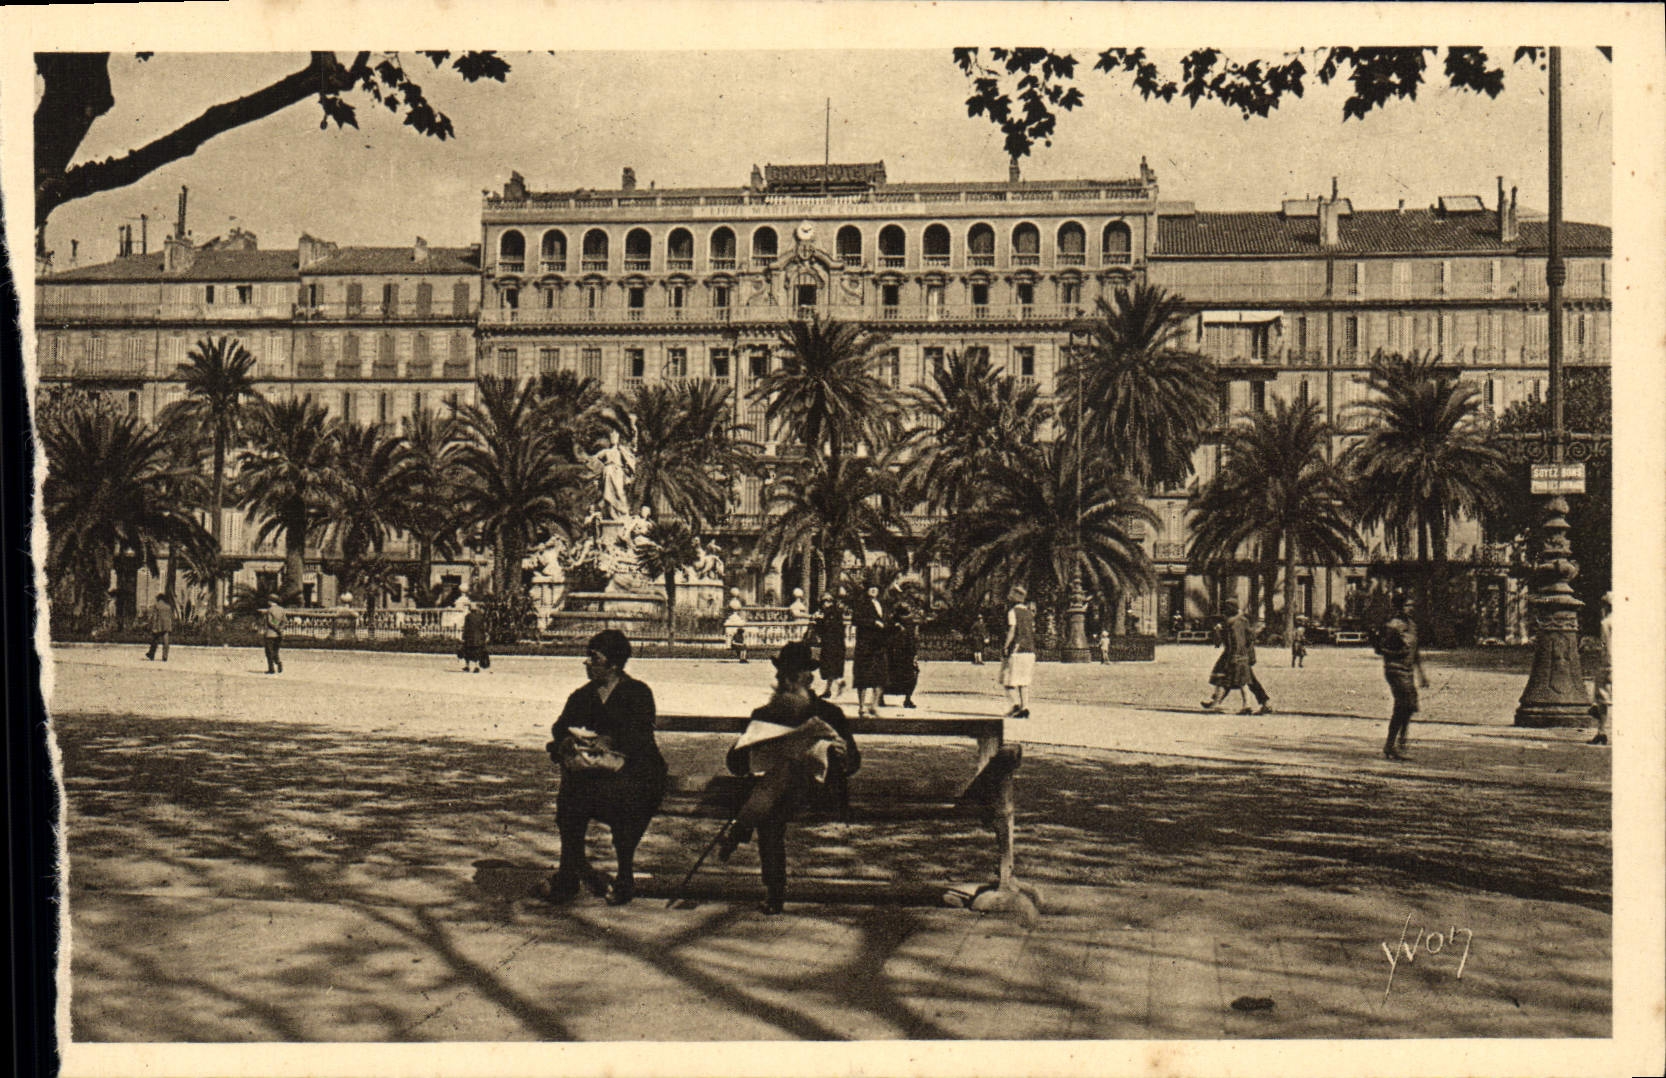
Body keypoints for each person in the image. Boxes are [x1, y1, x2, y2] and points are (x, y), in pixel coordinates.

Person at [720, 641, 860, 914]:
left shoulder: (829, 714)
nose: (784, 683)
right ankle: (774, 887)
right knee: (777, 790)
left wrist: (843, 755)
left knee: (780, 784)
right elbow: (735, 764)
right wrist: (750, 748)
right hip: (778, 796)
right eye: (781, 677)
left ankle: (742, 829)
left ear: (808, 679)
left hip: (816, 791)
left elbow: (853, 763)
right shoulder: (764, 715)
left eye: (791, 677)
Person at [539, 630, 666, 906]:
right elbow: (560, 727)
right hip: (597, 773)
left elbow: (640, 737)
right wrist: (566, 743)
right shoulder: (583, 695)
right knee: (571, 799)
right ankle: (568, 874)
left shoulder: (637, 692)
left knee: (620, 797)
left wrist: (607, 741)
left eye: (594, 658)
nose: (587, 662)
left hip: (636, 773)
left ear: (614, 663)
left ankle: (624, 876)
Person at [1375, 594, 1429, 760]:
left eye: (1411, 605)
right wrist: (1397, 653)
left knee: (1410, 706)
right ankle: (1392, 745)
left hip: (1408, 671)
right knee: (1403, 705)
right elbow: (1379, 648)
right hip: (1395, 669)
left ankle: (1400, 743)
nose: (1410, 608)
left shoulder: (1412, 625)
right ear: (1399, 607)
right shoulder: (1393, 626)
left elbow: (1415, 650)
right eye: (1407, 605)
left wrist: (1421, 674)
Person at [850, 585, 888, 718]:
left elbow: (885, 621)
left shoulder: (881, 604)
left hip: (879, 646)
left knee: (880, 677)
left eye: (876, 588)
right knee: (863, 678)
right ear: (866, 590)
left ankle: (873, 705)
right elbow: (855, 620)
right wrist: (873, 623)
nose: (873, 590)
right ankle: (861, 707)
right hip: (865, 646)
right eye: (870, 588)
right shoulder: (861, 604)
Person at [1001, 584, 1035, 718]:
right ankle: (1024, 708)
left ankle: (1015, 705)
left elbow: (1012, 630)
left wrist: (1005, 646)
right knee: (1024, 682)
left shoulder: (1012, 612)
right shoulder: (1028, 612)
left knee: (1008, 680)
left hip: (1017, 650)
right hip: (1030, 651)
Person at [884, 601, 920, 709]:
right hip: (899, 652)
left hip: (902, 652)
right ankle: (907, 699)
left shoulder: (909, 622)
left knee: (907, 674)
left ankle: (906, 698)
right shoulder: (898, 622)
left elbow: (914, 638)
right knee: (906, 674)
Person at [1589, 592, 1612, 746]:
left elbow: (1605, 646)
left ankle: (1601, 731)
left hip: (1609, 663)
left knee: (1602, 698)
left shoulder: (1606, 623)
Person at [814, 592, 847, 700]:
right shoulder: (835, 612)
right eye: (824, 601)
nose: (825, 604)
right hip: (837, 644)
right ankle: (827, 690)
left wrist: (818, 620)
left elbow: (825, 629)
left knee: (829, 666)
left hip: (831, 644)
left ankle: (839, 682)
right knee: (833, 666)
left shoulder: (830, 614)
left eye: (827, 601)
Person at [459, 601, 489, 673]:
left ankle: (467, 666)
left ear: (470, 609)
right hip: (478, 637)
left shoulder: (468, 616)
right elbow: (482, 628)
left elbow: (466, 627)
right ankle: (477, 666)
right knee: (477, 652)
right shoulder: (480, 617)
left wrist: (463, 637)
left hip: (470, 637)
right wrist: (484, 636)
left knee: (467, 652)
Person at [145, 593, 175, 662]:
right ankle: (165, 656)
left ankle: (151, 654)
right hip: (167, 625)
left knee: (155, 640)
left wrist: (152, 625)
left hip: (159, 625)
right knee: (166, 642)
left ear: (158, 598)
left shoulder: (157, 605)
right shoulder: (168, 606)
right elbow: (171, 616)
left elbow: (154, 616)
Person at [261, 594, 286, 675]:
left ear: (270, 601)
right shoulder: (282, 610)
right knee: (276, 651)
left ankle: (271, 669)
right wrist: (280, 628)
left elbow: (270, 621)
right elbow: (285, 621)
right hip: (279, 635)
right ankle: (278, 663)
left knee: (269, 652)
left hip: (270, 634)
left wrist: (276, 627)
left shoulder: (270, 610)